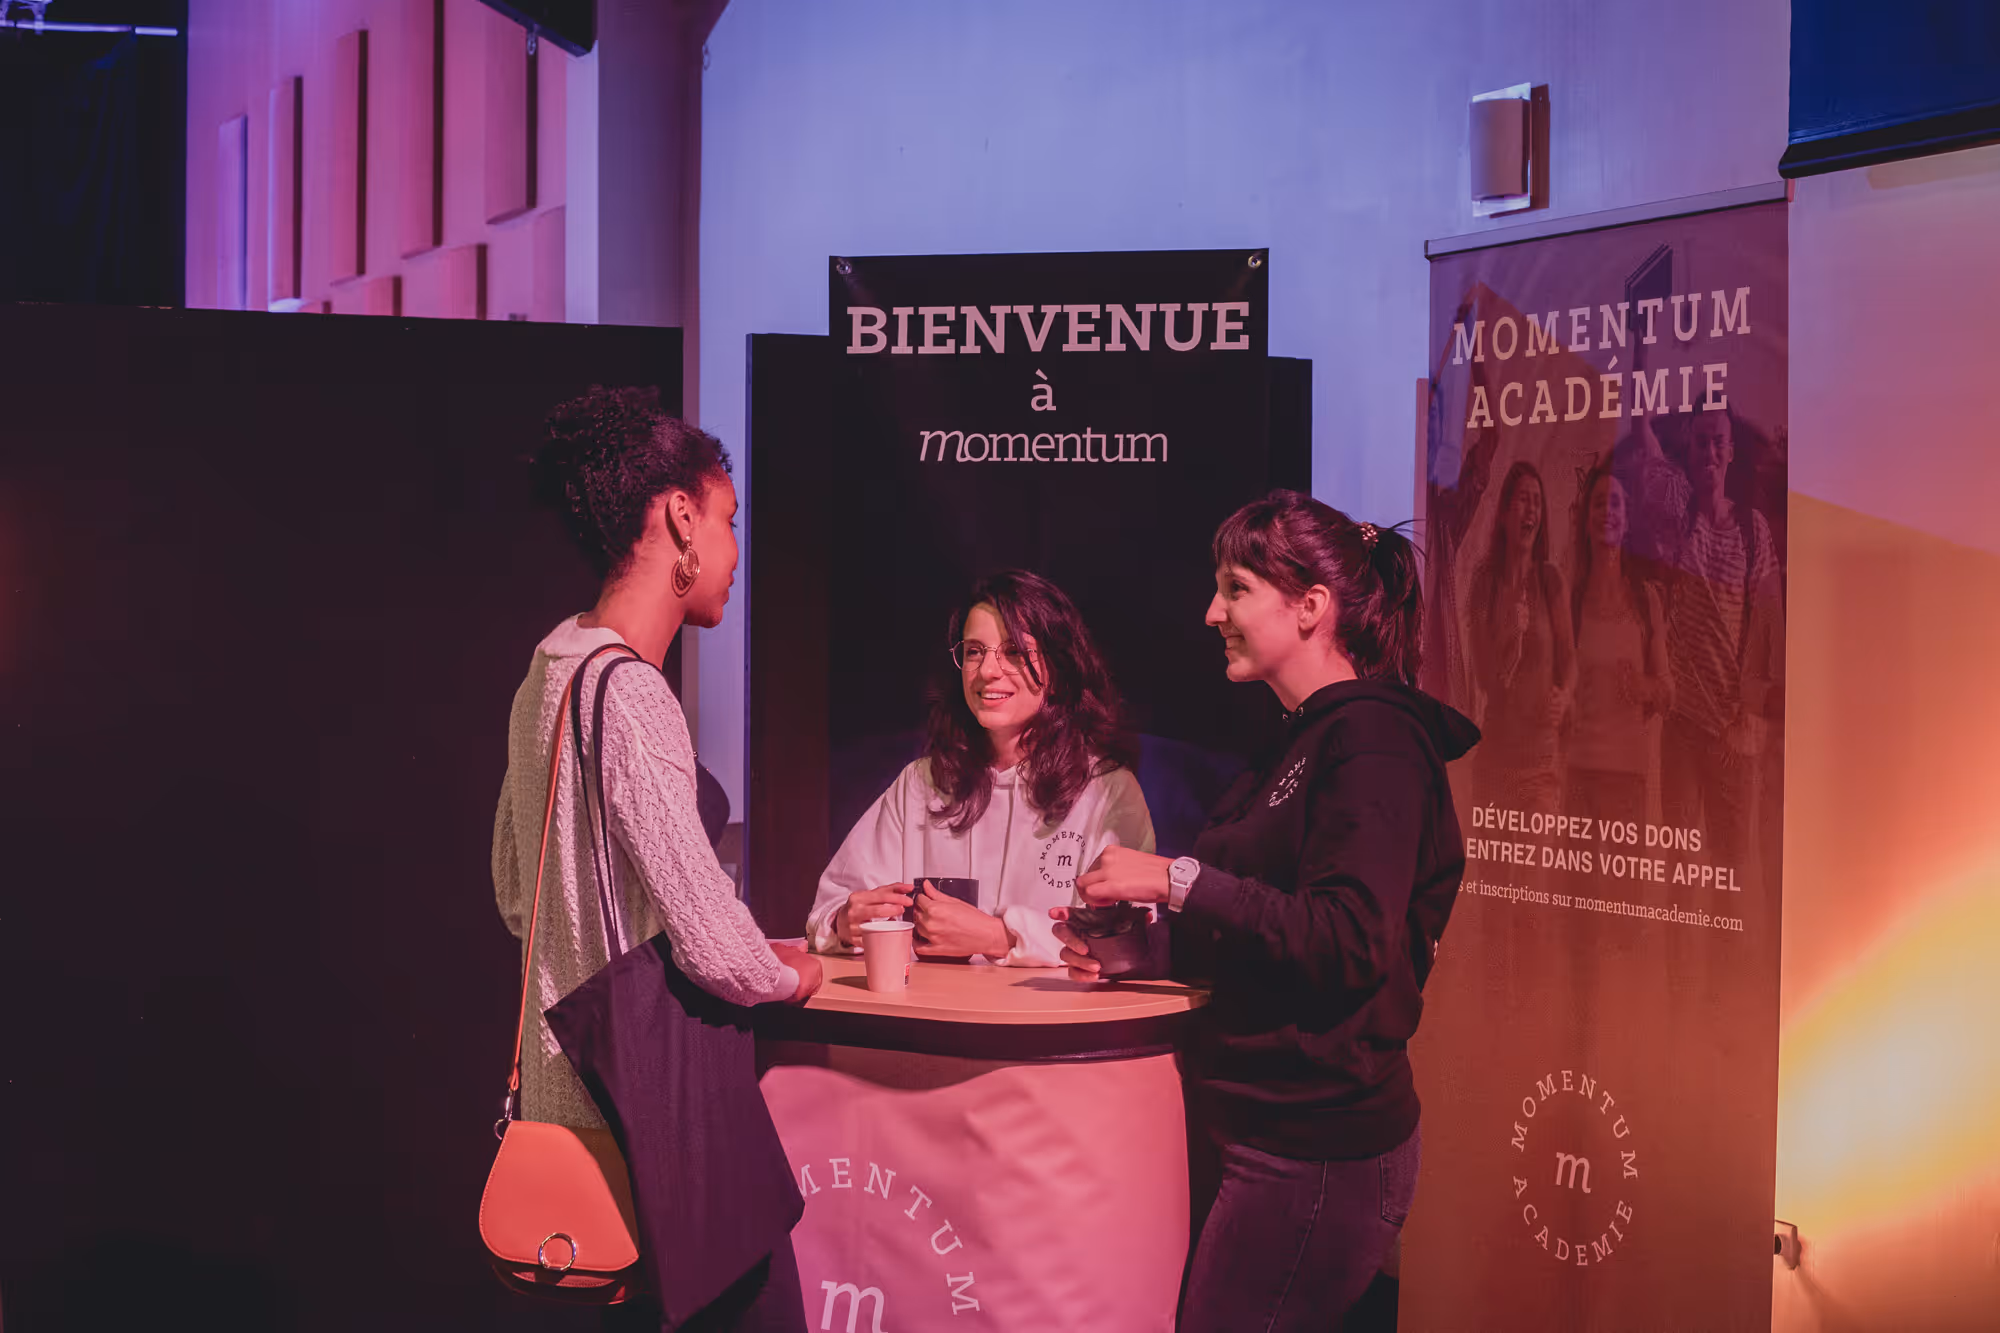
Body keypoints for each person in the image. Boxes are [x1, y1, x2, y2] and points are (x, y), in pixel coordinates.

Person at [1055, 490, 1478, 1330]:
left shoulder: (1376, 742)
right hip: (1261, 1139)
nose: (1211, 611)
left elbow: (1348, 939)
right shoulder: (1297, 737)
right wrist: (1147, 954)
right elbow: (1265, 926)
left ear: (1312, 606)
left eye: (1236, 588)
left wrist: (1173, 879)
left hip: (1319, 1154)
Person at [492, 386, 818, 1329]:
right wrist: (792, 974)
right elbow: (714, 943)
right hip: (657, 1126)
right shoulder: (633, 695)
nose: (733, 550)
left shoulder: (546, 674)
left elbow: (515, 892)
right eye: (726, 518)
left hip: (566, 1113)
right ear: (678, 515)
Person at [806, 570, 1154, 966]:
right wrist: (844, 923)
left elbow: (1128, 937)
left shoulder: (1107, 790)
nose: (988, 671)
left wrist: (1000, 937)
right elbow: (831, 907)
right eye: (974, 651)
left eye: (1014, 652)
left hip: (1053, 1022)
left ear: (1058, 671)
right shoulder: (923, 782)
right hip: (931, 1018)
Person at [1659, 409, 1783, 888]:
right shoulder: (1677, 520)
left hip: (1735, 733)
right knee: (1682, 882)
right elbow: (1650, 453)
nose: (1709, 453)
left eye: (1718, 442)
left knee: (1732, 880)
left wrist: (1747, 717)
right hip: (1683, 732)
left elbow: (1769, 626)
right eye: (1700, 443)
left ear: (1731, 451)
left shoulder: (1753, 531)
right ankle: (1678, 969)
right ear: (1688, 451)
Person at [1567, 456, 1673, 831]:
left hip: (1628, 777)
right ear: (1585, 521)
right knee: (1577, 889)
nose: (1606, 512)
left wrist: (1644, 688)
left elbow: (1667, 692)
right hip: (1576, 775)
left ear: (1626, 521)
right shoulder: (1570, 601)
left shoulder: (1647, 601)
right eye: (1597, 503)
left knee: (1620, 891)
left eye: (1615, 503)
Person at [1466, 461, 1574, 812]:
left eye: (1537, 502)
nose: (1532, 510)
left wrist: (1564, 694)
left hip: (1541, 764)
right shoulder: (1485, 582)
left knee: (1535, 866)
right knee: (1493, 867)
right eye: (1523, 500)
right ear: (1503, 514)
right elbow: (1484, 677)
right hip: (1495, 759)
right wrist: (1510, 635)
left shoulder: (1551, 580)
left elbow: (1569, 659)